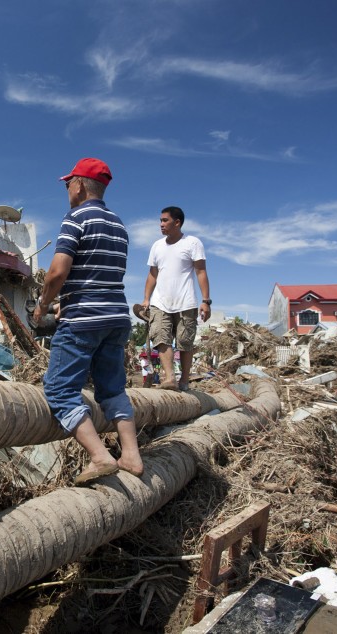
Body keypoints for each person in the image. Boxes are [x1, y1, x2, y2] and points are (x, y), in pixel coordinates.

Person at [33, 158, 144, 485]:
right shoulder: (119, 224)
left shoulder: (76, 218)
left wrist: (44, 303)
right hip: (116, 317)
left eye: (69, 183)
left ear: (79, 185)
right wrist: (68, 300)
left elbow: (57, 272)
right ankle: (132, 456)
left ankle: (99, 456)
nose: (67, 189)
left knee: (58, 389)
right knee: (112, 388)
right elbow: (99, 275)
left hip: (83, 319)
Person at [141, 206, 211, 391]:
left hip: (185, 302)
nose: (161, 224)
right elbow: (152, 275)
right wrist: (146, 299)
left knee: (185, 342)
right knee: (161, 337)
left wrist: (206, 300)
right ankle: (170, 378)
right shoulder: (157, 246)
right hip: (160, 302)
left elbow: (200, 271)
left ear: (177, 222)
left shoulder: (192, 243)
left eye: (165, 220)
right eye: (161, 220)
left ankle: (184, 381)